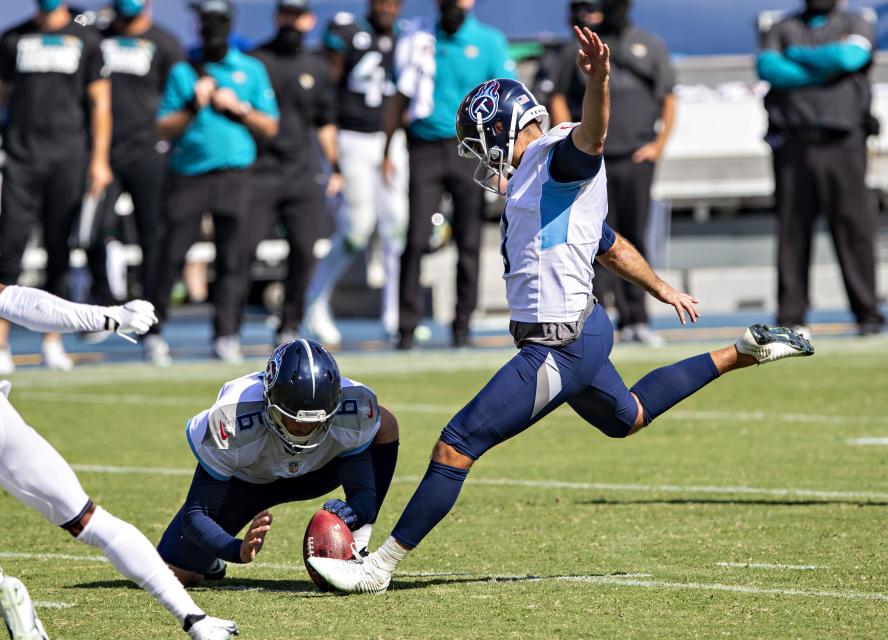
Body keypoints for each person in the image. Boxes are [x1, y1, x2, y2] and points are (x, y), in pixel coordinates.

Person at [307, 28, 815, 594]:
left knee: (456, 443)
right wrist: (660, 287)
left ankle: (377, 570)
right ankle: (742, 350)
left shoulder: (557, 158)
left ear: (500, 131)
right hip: (587, 330)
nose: (478, 158)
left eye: (480, 143)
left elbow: (592, 137)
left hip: (561, 342)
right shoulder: (533, 178)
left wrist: (597, 80)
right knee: (629, 417)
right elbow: (608, 242)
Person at [0, 233, 238, 639]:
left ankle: (6, 589)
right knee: (92, 519)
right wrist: (107, 317)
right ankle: (194, 618)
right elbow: (14, 301)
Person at [156, 338, 400, 587]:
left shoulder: (355, 405)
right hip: (246, 483)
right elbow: (197, 514)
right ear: (268, 400)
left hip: (319, 473)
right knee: (172, 575)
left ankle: (358, 547)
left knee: (386, 422)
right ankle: (209, 562)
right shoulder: (231, 417)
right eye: (293, 418)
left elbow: (364, 495)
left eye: (317, 420)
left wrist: (355, 514)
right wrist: (235, 549)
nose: (305, 429)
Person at [0, 0, 114, 375]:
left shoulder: (86, 39)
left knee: (59, 253)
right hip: (21, 157)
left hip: (68, 158)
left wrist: (99, 160)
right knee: (11, 250)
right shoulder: (14, 37)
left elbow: (101, 103)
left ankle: (53, 340)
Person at [151, 0, 279, 365]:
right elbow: (163, 126)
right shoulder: (183, 72)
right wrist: (194, 105)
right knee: (170, 255)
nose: (213, 30)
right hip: (190, 174)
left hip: (234, 175)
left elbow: (270, 125)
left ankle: (227, 334)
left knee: (233, 259)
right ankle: (154, 333)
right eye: (208, 22)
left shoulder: (250, 70)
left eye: (219, 22)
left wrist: (237, 108)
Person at [388, 0, 516, 350]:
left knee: (469, 240)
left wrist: (499, 159)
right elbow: (399, 94)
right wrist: (387, 148)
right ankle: (406, 327)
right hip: (424, 146)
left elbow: (506, 98)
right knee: (415, 238)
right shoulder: (418, 38)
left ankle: (462, 325)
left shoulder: (489, 41)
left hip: (471, 149)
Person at [549, 0, 676, 347]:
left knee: (634, 236)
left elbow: (668, 96)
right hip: (592, 162)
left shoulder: (650, 44)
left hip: (635, 159)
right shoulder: (581, 46)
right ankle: (594, 321)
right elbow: (557, 95)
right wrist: (568, 137)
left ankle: (637, 319)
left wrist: (657, 146)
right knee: (593, 240)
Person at [756, 0, 884, 339]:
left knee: (855, 230)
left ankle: (867, 313)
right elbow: (769, 68)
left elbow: (849, 58)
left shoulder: (857, 21)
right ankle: (791, 317)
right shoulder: (782, 27)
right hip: (793, 145)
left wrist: (796, 55)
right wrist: (826, 68)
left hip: (844, 143)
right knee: (792, 233)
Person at [301, 0, 408, 345]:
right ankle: (315, 302)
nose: (388, 9)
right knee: (355, 231)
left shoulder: (407, 37)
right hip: (352, 137)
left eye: (395, 3)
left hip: (391, 139)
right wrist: (328, 149)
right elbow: (328, 84)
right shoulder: (348, 29)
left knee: (397, 229)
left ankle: (395, 317)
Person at [247, 0, 342, 349]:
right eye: (286, 13)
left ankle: (290, 322)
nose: (292, 21)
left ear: (309, 19)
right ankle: (226, 330)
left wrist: (335, 166)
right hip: (259, 171)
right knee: (242, 251)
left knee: (304, 249)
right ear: (276, 16)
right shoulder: (257, 60)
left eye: (298, 15)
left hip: (301, 171)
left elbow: (325, 122)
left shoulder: (316, 67)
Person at [80, 0, 184, 319]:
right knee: (91, 232)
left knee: (152, 237)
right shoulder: (96, 37)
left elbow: (184, 96)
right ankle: (107, 298)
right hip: (102, 153)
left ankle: (152, 316)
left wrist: (165, 132)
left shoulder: (165, 43)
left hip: (148, 151)